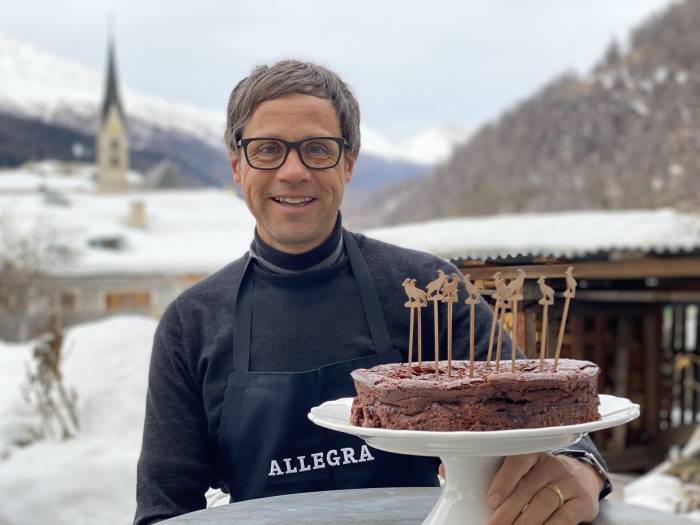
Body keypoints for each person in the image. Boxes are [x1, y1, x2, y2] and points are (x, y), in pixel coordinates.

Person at [134, 60, 610, 525]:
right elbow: (165, 510)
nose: (293, 171)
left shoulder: (431, 293)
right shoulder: (190, 323)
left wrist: (579, 470)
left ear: (348, 165)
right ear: (238, 167)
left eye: (318, 150)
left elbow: (543, 416)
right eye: (267, 149)